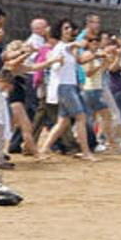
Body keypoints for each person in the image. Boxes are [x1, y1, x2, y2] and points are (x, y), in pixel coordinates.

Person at [36, 19, 97, 162]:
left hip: (69, 86)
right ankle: (85, 152)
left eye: (70, 28)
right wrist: (77, 43)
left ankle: (44, 149)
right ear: (60, 31)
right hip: (65, 87)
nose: (69, 30)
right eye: (66, 28)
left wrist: (96, 54)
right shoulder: (61, 47)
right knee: (80, 117)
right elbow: (64, 54)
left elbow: (79, 58)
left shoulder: (66, 48)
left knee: (62, 122)